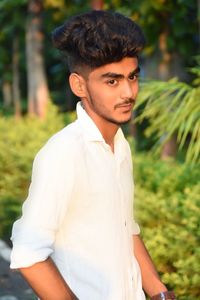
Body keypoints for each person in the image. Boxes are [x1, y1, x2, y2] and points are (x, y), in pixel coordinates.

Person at [10, 10, 176, 300]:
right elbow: (28, 252)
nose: (128, 92)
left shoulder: (119, 145)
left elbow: (126, 227)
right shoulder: (64, 153)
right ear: (79, 85)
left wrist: (161, 293)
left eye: (133, 77)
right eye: (112, 81)